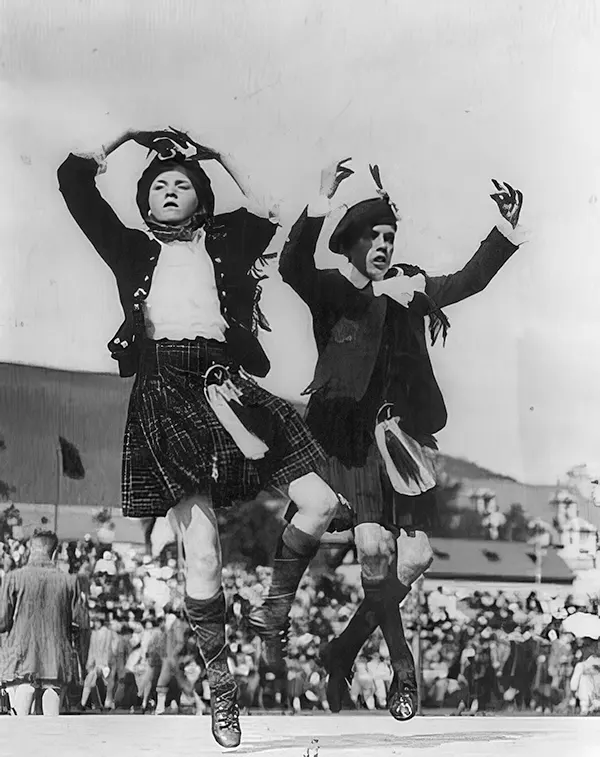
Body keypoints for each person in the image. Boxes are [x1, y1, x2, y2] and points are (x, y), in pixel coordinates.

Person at [57, 127, 339, 747]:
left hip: (229, 387)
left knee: (321, 503)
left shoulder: (226, 242)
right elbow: (73, 183)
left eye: (181, 183)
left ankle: (272, 611)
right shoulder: (128, 248)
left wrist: (217, 153)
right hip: (166, 394)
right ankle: (221, 688)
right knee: (203, 551)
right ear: (143, 200)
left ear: (201, 199)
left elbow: (266, 211)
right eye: (158, 184)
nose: (168, 189)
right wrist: (125, 137)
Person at [279, 157, 528, 720]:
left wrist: (504, 230)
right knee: (375, 549)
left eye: (390, 236)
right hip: (352, 441)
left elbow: (467, 281)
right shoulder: (339, 295)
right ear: (352, 243)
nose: (385, 244)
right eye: (374, 236)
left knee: (414, 559)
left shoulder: (411, 290)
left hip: (404, 442)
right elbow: (294, 266)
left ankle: (341, 652)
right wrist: (320, 197)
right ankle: (402, 669)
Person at [0, 530, 89, 716]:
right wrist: (82, 664)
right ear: (55, 553)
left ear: (30, 549)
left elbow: (2, 621)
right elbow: (82, 625)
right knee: (52, 725)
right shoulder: (70, 581)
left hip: (20, 660)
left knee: (20, 723)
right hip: (55, 662)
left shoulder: (13, 579)